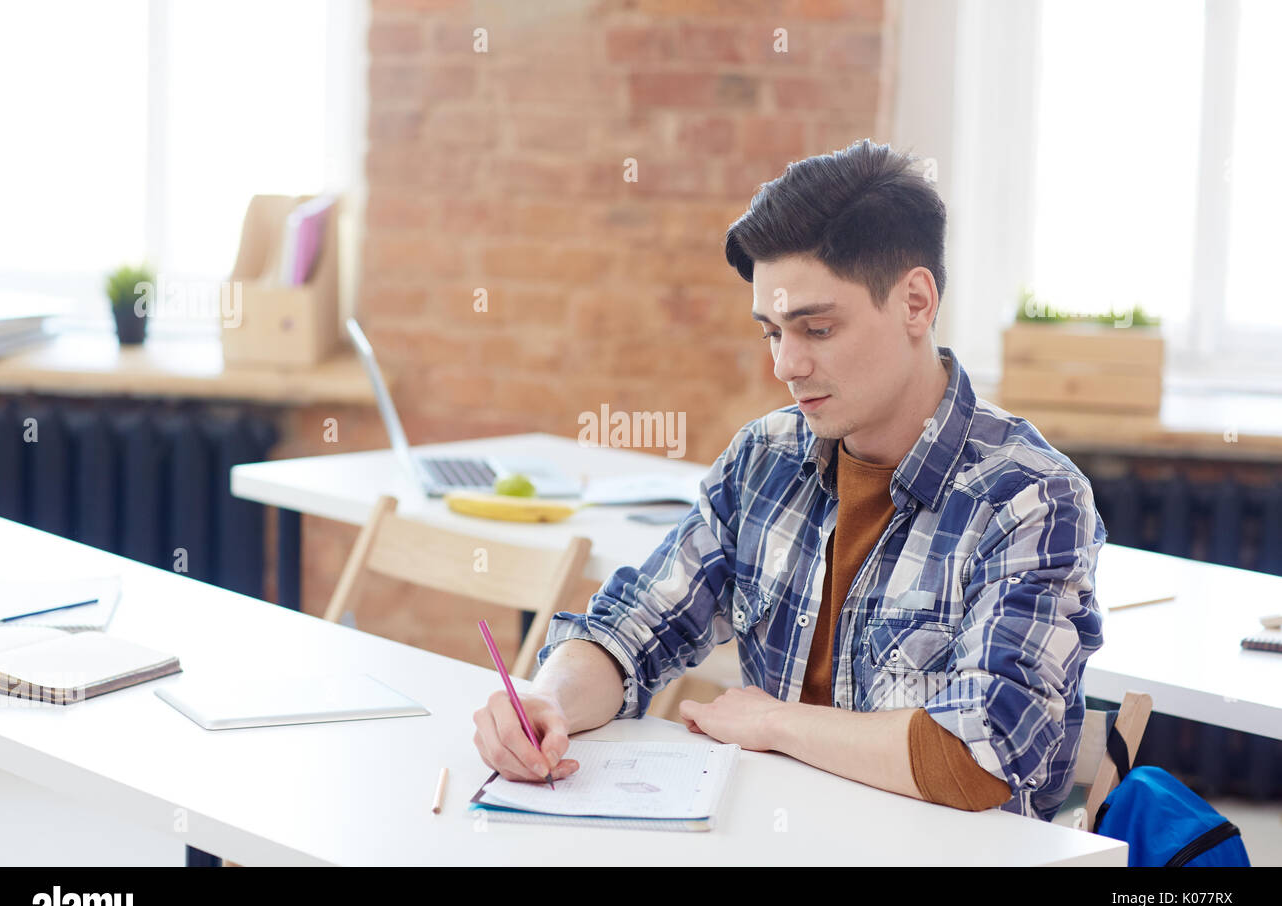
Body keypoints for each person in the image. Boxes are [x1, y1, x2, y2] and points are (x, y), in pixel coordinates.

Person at [471, 138, 1106, 822]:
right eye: (771, 332)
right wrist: (549, 700)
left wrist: (775, 723)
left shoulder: (1028, 495)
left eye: (818, 329)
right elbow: (632, 629)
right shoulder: (765, 457)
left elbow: (981, 756)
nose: (786, 365)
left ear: (915, 303)